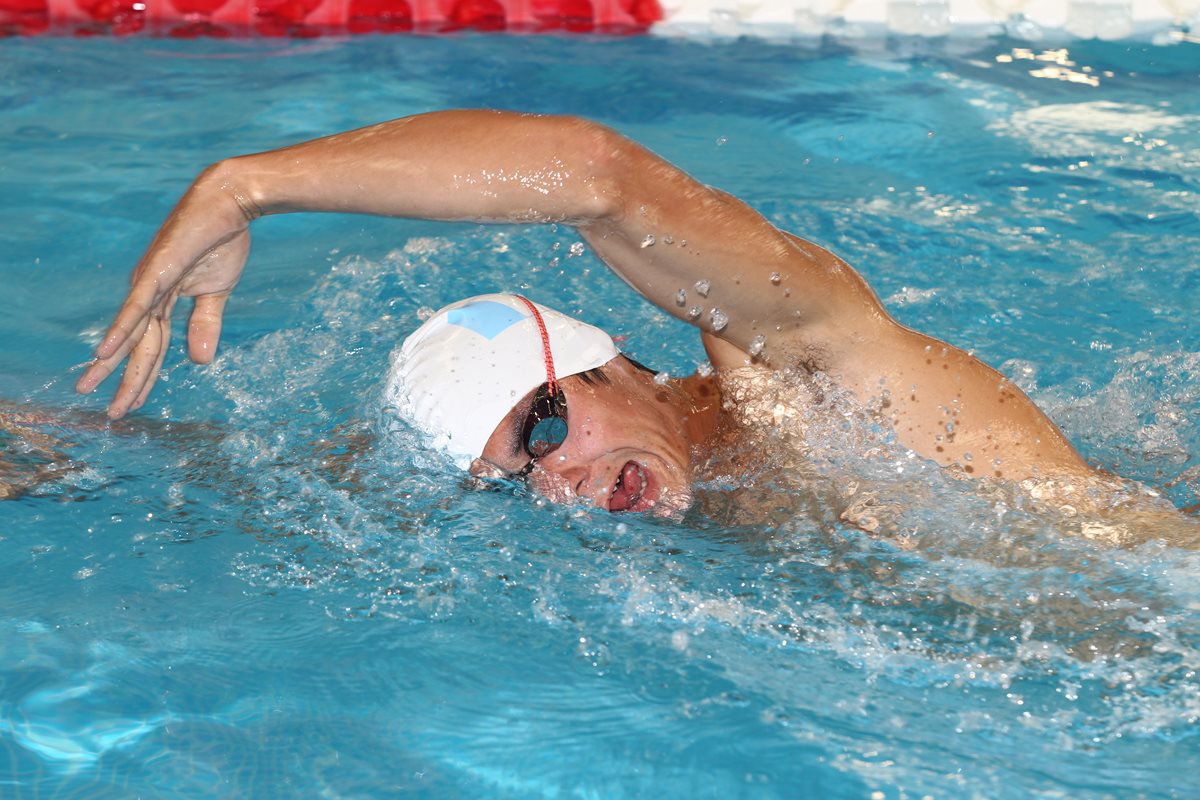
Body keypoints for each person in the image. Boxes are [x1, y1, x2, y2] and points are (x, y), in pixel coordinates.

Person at [75, 108, 1097, 517]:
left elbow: (599, 176)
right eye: (515, 477)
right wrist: (72, 443)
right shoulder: (683, 487)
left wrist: (248, 185)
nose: (557, 480)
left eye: (545, 426)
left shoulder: (805, 373)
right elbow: (294, 469)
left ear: (614, 363)